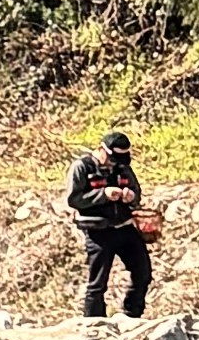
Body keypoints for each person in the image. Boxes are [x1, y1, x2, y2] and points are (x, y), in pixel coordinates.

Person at [68, 131, 158, 321]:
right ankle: (93, 322)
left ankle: (132, 316)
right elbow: (74, 199)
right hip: (98, 231)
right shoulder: (82, 167)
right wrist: (103, 195)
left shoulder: (123, 168)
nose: (115, 163)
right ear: (102, 149)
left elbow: (136, 192)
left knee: (143, 272)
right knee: (97, 283)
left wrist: (131, 197)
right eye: (113, 157)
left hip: (125, 227)